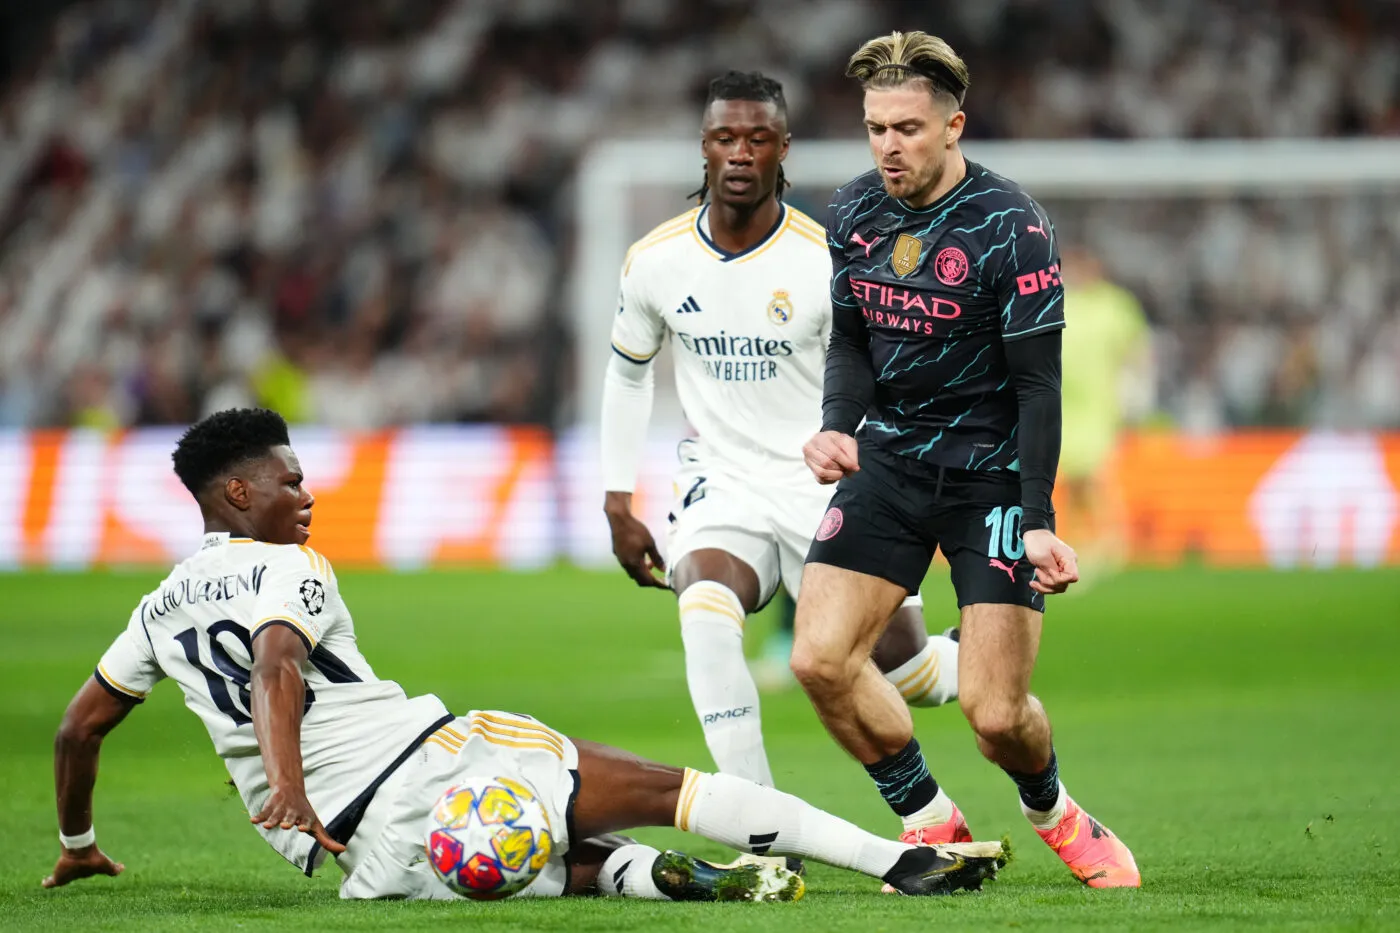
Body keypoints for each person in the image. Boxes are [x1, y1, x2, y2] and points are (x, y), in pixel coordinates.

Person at [42, 408, 1005, 902]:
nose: (309, 493)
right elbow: (276, 668)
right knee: (670, 790)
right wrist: (286, 777)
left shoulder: (156, 606)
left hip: (353, 857)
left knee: (538, 853)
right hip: (422, 760)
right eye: (292, 479)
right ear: (240, 493)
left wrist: (79, 845)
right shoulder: (288, 569)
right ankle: (898, 860)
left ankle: (658, 878)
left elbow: (78, 728)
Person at [791, 32, 1140, 888]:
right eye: (876, 128)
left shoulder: (1013, 227)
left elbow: (1038, 388)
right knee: (819, 658)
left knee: (994, 713)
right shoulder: (852, 213)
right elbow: (851, 342)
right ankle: (931, 820)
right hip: (890, 463)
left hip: (989, 476)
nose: (889, 146)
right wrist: (839, 423)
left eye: (907, 127)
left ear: (954, 126)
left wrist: (1040, 520)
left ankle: (1052, 806)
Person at [602, 71, 959, 794]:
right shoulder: (655, 261)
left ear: (782, 150)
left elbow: (881, 380)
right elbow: (629, 373)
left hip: (824, 480)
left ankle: (980, 650)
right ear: (703, 148)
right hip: (723, 480)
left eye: (756, 138)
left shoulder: (827, 259)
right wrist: (616, 498)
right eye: (725, 138)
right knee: (703, 609)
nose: (739, 153)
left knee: (910, 672)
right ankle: (761, 826)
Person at [1057, 244, 1152, 580]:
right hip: (1063, 404)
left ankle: (1114, 540)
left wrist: (1138, 389)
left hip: (1099, 403)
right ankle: (1081, 540)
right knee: (1072, 477)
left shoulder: (1114, 304)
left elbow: (1138, 348)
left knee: (1094, 473)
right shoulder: (1060, 298)